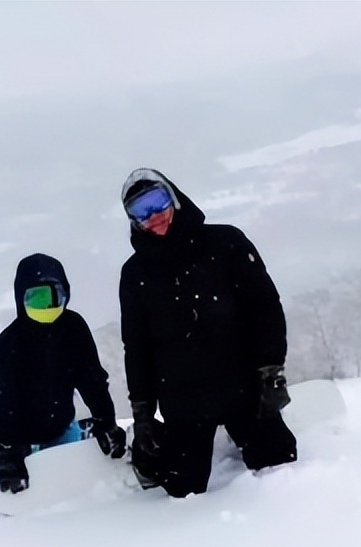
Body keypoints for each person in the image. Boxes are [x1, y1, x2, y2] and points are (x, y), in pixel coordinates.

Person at [118, 168, 296, 498]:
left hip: (244, 391)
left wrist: (272, 371)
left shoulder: (226, 243)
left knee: (280, 468)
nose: (153, 216)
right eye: (140, 212)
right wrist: (142, 413)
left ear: (174, 197)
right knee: (183, 493)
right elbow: (137, 348)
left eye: (158, 202)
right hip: (183, 404)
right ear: (132, 220)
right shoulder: (134, 275)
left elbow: (265, 309)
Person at [0, 252, 127, 494]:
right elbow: (2, 401)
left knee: (70, 492)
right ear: (22, 299)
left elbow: (92, 379)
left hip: (60, 427)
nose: (48, 306)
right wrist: (7, 451)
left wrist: (106, 421)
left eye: (55, 296)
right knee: (1, 502)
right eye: (38, 298)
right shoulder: (8, 344)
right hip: (12, 435)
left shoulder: (74, 329)